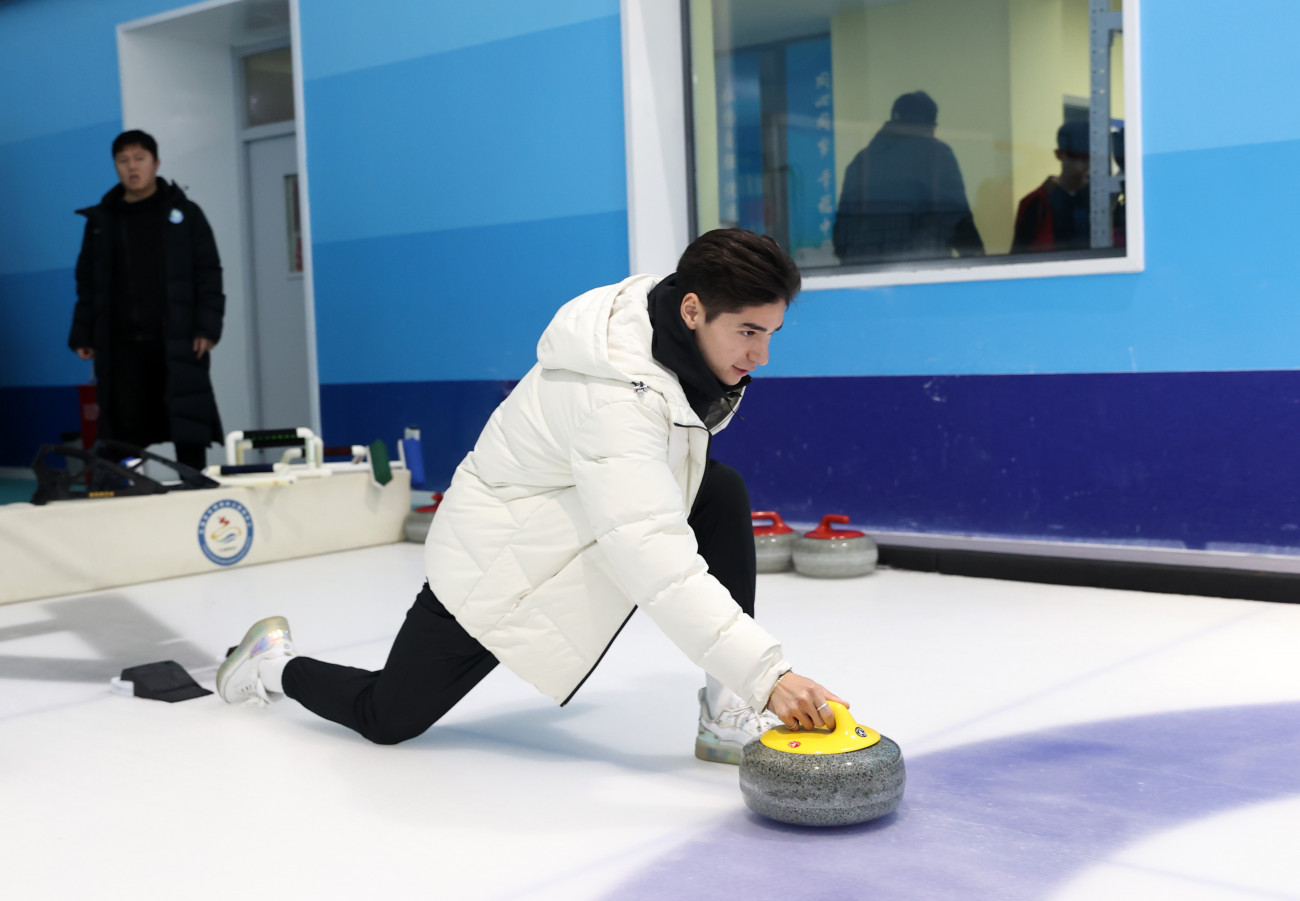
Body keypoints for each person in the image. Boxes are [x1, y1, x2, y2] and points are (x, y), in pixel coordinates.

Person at [216, 228, 848, 762]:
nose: (761, 355)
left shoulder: (668, 332)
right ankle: (271, 662)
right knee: (389, 717)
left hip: (569, 517)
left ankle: (724, 712)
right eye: (748, 332)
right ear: (692, 311)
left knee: (719, 490)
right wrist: (768, 675)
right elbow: (655, 558)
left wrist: (745, 682)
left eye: (770, 333)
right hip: (498, 559)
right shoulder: (616, 402)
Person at [68, 129, 224, 472]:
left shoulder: (185, 215)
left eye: (139, 159)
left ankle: (193, 491)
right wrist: (83, 333)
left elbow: (209, 273)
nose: (131, 167)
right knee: (123, 435)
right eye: (123, 161)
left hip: (178, 340)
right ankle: (126, 498)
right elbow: (87, 282)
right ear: (115, 167)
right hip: (123, 347)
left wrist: (207, 327)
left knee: (188, 427)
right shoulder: (102, 220)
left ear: (156, 163)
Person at [833, 90, 984, 266]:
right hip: (922, 270)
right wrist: (975, 254)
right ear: (932, 125)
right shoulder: (937, 156)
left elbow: (841, 237)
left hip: (865, 273)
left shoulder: (861, 161)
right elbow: (956, 217)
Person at [1010, 120, 1094, 254]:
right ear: (1059, 155)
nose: (1088, 165)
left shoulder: (1100, 199)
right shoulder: (1035, 203)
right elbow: (1019, 256)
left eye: (1093, 158)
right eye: (1081, 158)